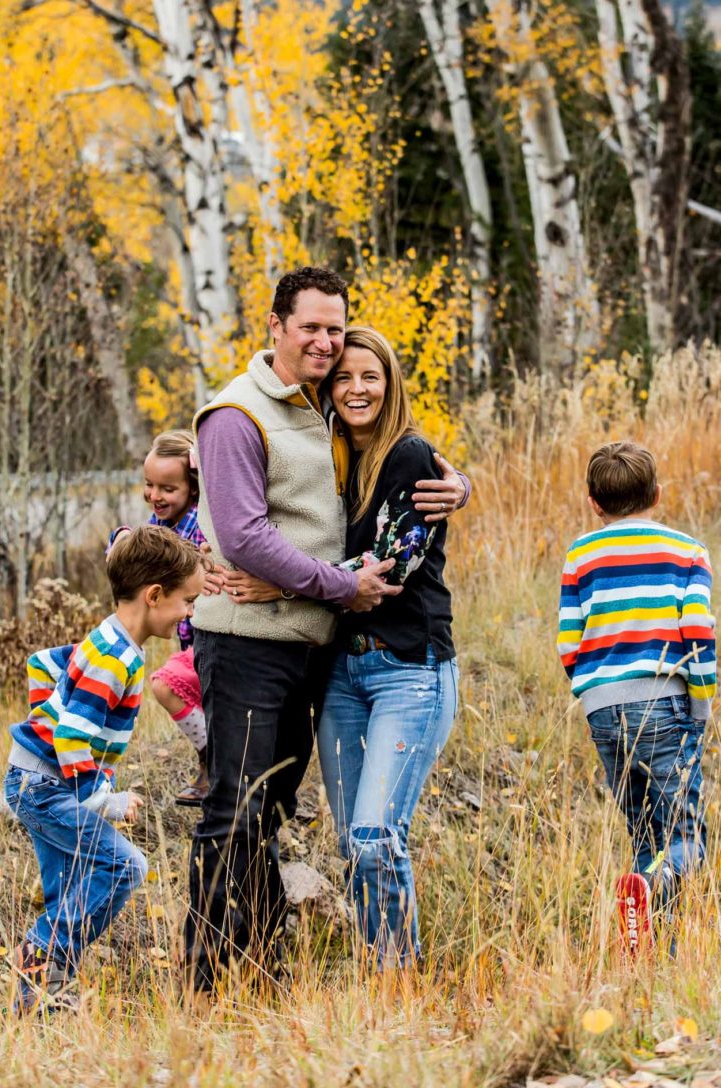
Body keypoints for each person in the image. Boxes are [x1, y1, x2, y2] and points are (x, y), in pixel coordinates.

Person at [185, 266, 467, 990]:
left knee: (267, 811)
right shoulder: (235, 414)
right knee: (235, 808)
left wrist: (462, 484)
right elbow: (245, 537)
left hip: (314, 651)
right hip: (247, 643)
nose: (324, 343)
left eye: (334, 330)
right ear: (274, 326)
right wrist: (337, 584)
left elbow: (402, 485)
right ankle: (211, 979)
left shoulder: (322, 413)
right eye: (310, 327)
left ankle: (262, 964)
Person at [5, 526, 204, 1014]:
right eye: (186, 601)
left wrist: (43, 716)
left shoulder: (109, 639)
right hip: (47, 787)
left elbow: (42, 663)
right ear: (154, 595)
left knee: (66, 891)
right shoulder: (115, 660)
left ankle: (37, 1008)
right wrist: (100, 799)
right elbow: (72, 737)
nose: (189, 612)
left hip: (41, 778)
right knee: (124, 867)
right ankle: (37, 954)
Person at [314, 326, 465, 970]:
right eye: (343, 377)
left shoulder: (409, 454)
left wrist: (285, 582)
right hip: (339, 675)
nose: (356, 388)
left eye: (369, 376)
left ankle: (399, 978)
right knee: (354, 842)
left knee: (377, 836)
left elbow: (393, 569)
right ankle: (383, 982)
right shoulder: (325, 461)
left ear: (390, 382)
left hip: (409, 667)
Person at [557, 441, 715, 927]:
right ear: (658, 494)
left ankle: (647, 933)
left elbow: (569, 642)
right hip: (666, 704)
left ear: (593, 502)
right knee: (687, 838)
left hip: (603, 711)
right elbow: (699, 634)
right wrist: (701, 704)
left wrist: (593, 696)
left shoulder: (579, 556)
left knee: (644, 833)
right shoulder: (688, 551)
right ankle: (652, 887)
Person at [108, 430, 221, 807]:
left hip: (218, 636)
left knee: (167, 684)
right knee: (175, 688)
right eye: (149, 484)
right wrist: (123, 537)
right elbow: (137, 545)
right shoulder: (163, 526)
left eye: (167, 488)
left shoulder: (206, 521)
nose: (155, 495)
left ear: (193, 488)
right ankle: (212, 759)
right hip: (193, 642)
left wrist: (203, 463)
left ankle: (216, 761)